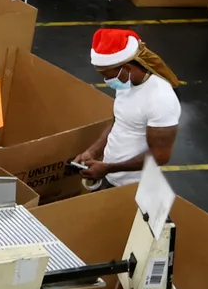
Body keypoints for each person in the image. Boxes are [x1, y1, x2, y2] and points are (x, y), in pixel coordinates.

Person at [75, 28, 183, 188]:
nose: (106, 80)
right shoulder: (126, 84)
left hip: (134, 186)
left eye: (108, 75)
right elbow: (117, 123)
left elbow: (160, 156)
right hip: (109, 175)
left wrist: (109, 168)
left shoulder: (161, 99)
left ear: (127, 68)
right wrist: (92, 151)